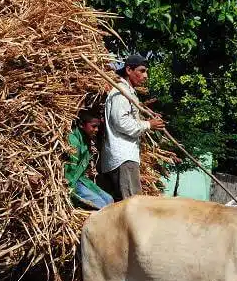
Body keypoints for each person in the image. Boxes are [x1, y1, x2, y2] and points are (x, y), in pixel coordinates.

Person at [99, 54, 165, 201]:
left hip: (124, 157)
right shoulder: (121, 92)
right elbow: (121, 123)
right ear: (129, 70)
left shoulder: (128, 93)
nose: (146, 76)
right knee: (132, 206)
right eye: (142, 71)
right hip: (123, 158)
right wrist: (149, 124)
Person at [64, 112, 115, 210]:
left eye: (98, 127)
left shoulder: (86, 141)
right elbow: (69, 172)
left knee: (109, 200)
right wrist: (69, 190)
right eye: (93, 126)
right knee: (101, 204)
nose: (96, 130)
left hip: (81, 180)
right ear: (81, 125)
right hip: (73, 183)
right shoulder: (73, 142)